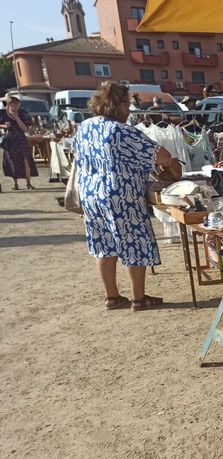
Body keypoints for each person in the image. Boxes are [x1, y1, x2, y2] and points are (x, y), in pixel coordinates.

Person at [73, 81, 175, 311]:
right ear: (116, 105)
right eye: (127, 104)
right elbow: (162, 155)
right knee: (134, 244)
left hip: (90, 195)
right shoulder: (120, 131)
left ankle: (112, 297)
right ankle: (139, 299)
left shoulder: (85, 126)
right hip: (121, 196)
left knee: (104, 245)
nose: (129, 110)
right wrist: (169, 164)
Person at [0, 96, 37, 190]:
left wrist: (16, 117)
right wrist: (4, 126)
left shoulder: (21, 113)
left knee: (26, 160)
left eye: (18, 104)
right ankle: (15, 184)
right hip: (9, 141)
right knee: (12, 162)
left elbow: (25, 129)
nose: (16, 106)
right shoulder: (3, 113)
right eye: (14, 104)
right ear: (9, 104)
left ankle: (28, 183)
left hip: (21, 139)